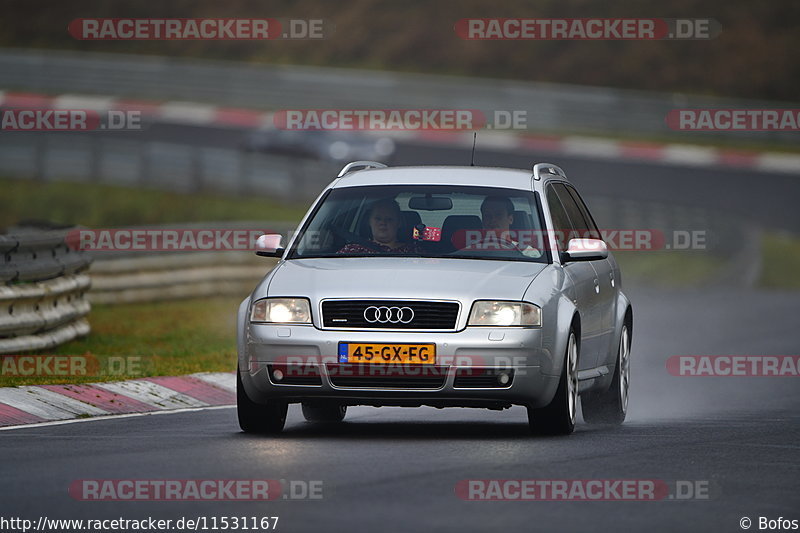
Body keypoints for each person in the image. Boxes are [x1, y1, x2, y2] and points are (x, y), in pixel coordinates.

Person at [337, 199, 416, 254]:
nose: (383, 223)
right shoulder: (352, 251)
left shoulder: (414, 251)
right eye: (378, 219)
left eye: (389, 219)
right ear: (369, 221)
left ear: (399, 223)